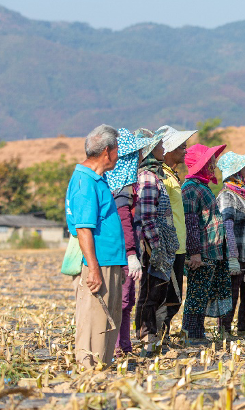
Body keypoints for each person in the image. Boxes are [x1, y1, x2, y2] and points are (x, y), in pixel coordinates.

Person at [65, 124, 126, 368]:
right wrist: (93, 268)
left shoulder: (98, 179)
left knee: (109, 318)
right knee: (94, 318)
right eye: (117, 150)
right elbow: (83, 228)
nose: (118, 155)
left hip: (110, 260)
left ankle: (103, 366)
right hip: (98, 262)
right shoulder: (84, 181)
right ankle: (89, 369)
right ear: (107, 152)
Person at [181, 143, 241, 343]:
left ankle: (197, 333)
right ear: (200, 164)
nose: (213, 165)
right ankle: (192, 334)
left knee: (203, 294)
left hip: (212, 252)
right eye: (210, 162)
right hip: (203, 253)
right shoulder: (191, 189)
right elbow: (190, 223)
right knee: (196, 295)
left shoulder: (202, 187)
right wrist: (195, 252)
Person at [103, 128, 150, 357]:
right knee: (122, 302)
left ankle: (124, 345)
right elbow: (125, 224)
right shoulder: (121, 191)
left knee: (127, 301)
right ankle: (117, 347)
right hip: (122, 255)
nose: (141, 158)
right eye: (138, 155)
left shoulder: (124, 188)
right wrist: (132, 254)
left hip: (125, 254)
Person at [134, 127, 180, 354]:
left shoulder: (156, 176)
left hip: (161, 245)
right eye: (159, 146)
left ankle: (149, 333)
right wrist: (157, 246)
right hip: (154, 246)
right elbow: (148, 217)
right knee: (150, 293)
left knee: (156, 292)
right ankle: (145, 334)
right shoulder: (149, 178)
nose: (164, 149)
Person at [155, 125, 197, 338]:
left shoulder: (172, 176)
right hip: (169, 245)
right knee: (166, 296)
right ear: (168, 150)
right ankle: (158, 338)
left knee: (175, 296)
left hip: (178, 245)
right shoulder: (162, 176)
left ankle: (163, 337)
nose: (185, 151)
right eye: (182, 147)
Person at [215, 150, 245, 336]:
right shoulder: (228, 196)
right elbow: (227, 226)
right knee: (231, 296)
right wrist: (233, 257)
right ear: (237, 172)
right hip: (235, 256)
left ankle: (243, 330)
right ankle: (224, 333)